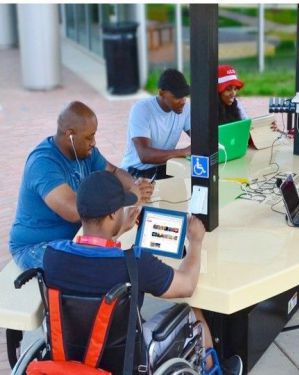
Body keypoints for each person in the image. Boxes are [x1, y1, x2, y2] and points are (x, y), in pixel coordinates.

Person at [43, 171, 243, 375]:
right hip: (127, 362)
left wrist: (118, 230)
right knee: (193, 313)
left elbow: (96, 255)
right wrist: (196, 242)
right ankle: (216, 371)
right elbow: (187, 285)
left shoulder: (53, 255)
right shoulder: (133, 262)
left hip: (71, 356)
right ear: (113, 214)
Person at [9, 101, 153, 270]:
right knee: (103, 267)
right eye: (89, 136)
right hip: (35, 247)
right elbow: (74, 210)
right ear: (70, 135)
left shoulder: (85, 151)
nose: (93, 142)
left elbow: (113, 172)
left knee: (116, 255)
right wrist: (129, 197)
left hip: (75, 239)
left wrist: (135, 185)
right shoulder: (43, 163)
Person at [121, 68, 192, 180]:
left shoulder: (185, 108)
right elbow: (144, 155)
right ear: (161, 93)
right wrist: (184, 152)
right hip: (137, 172)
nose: (182, 101)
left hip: (164, 168)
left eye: (184, 96)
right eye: (177, 97)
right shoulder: (141, 109)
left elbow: (200, 138)